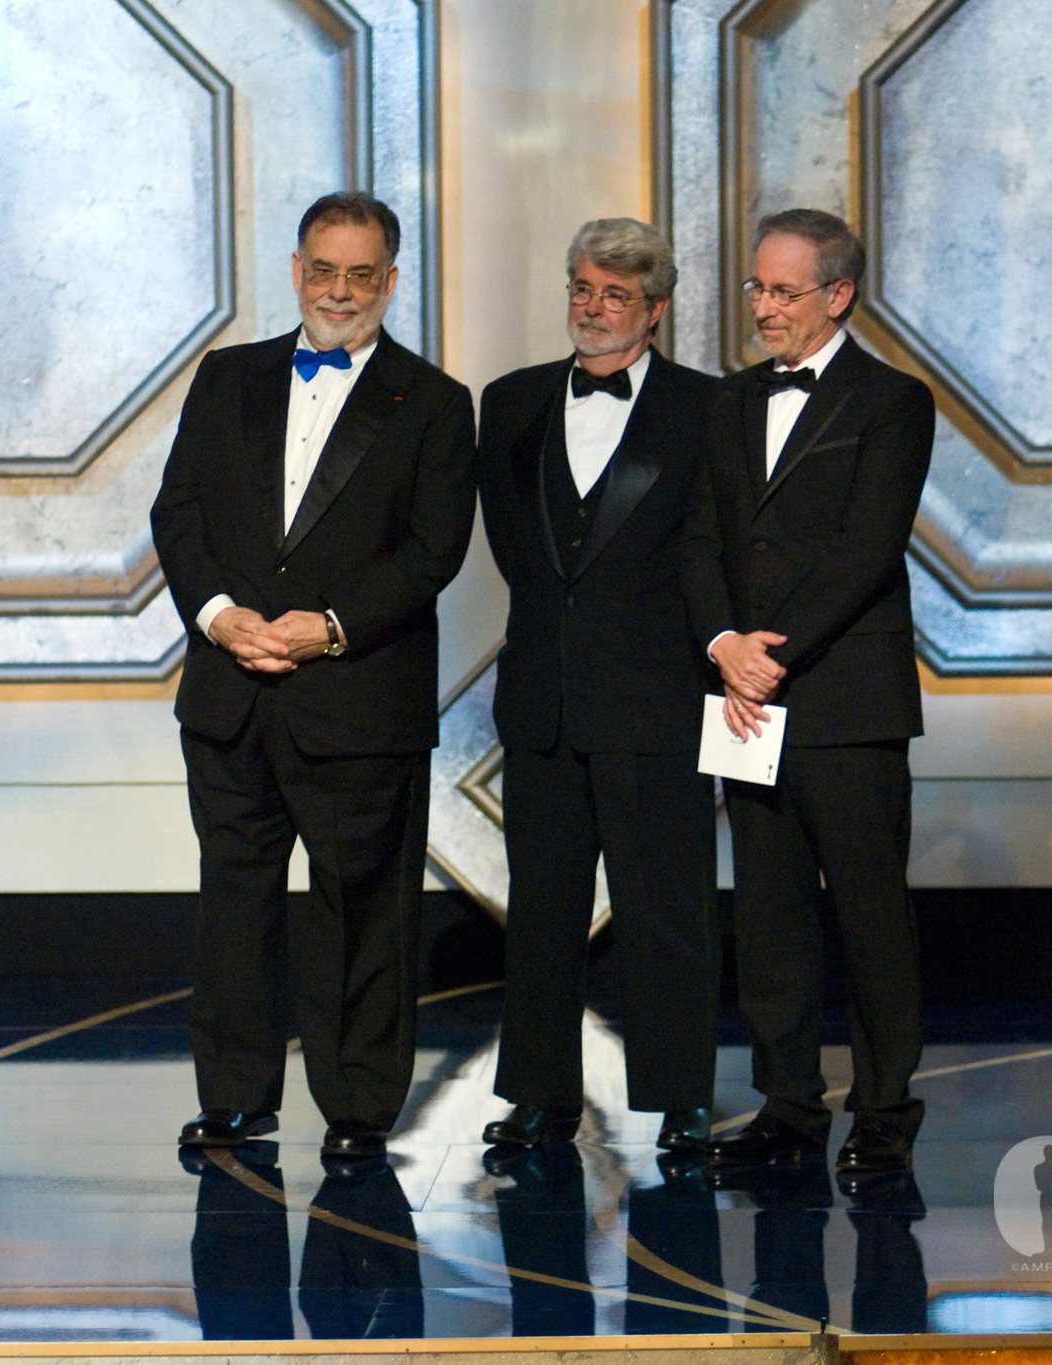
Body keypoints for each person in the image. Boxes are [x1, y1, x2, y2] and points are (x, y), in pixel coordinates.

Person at [152, 191, 480, 1159]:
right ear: (296, 271)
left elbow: (431, 553)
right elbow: (179, 514)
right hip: (229, 693)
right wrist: (221, 620)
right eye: (324, 271)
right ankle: (236, 1099)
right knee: (234, 906)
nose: (340, 292)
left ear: (390, 280)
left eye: (361, 274)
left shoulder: (430, 403)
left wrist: (325, 630)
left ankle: (358, 1107)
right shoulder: (225, 379)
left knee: (361, 913)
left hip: (356, 700)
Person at [683, 209, 934, 1174]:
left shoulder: (892, 402)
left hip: (843, 699)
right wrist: (721, 644)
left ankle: (882, 1115)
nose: (763, 307)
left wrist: (767, 655)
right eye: (755, 287)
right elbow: (699, 537)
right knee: (771, 918)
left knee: (870, 916)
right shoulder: (727, 402)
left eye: (784, 291)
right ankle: (787, 1111)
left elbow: (865, 553)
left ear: (839, 295)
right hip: (744, 696)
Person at [475, 218, 720, 1156]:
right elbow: (516, 546)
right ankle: (540, 1093)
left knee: (667, 908)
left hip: (656, 700)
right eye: (582, 287)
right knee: (540, 908)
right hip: (543, 695)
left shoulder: (707, 408)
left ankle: (681, 1094)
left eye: (615, 294)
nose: (593, 307)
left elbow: (711, 549)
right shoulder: (511, 402)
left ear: (655, 311)